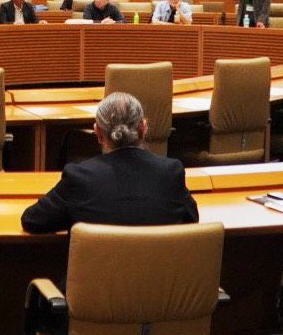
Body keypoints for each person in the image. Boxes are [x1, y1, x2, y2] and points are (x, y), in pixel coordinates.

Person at [21, 92, 198, 233]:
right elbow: (192, 217)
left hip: (95, 270)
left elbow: (32, 220)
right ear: (143, 129)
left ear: (98, 133)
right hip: (158, 270)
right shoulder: (170, 173)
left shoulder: (79, 178)